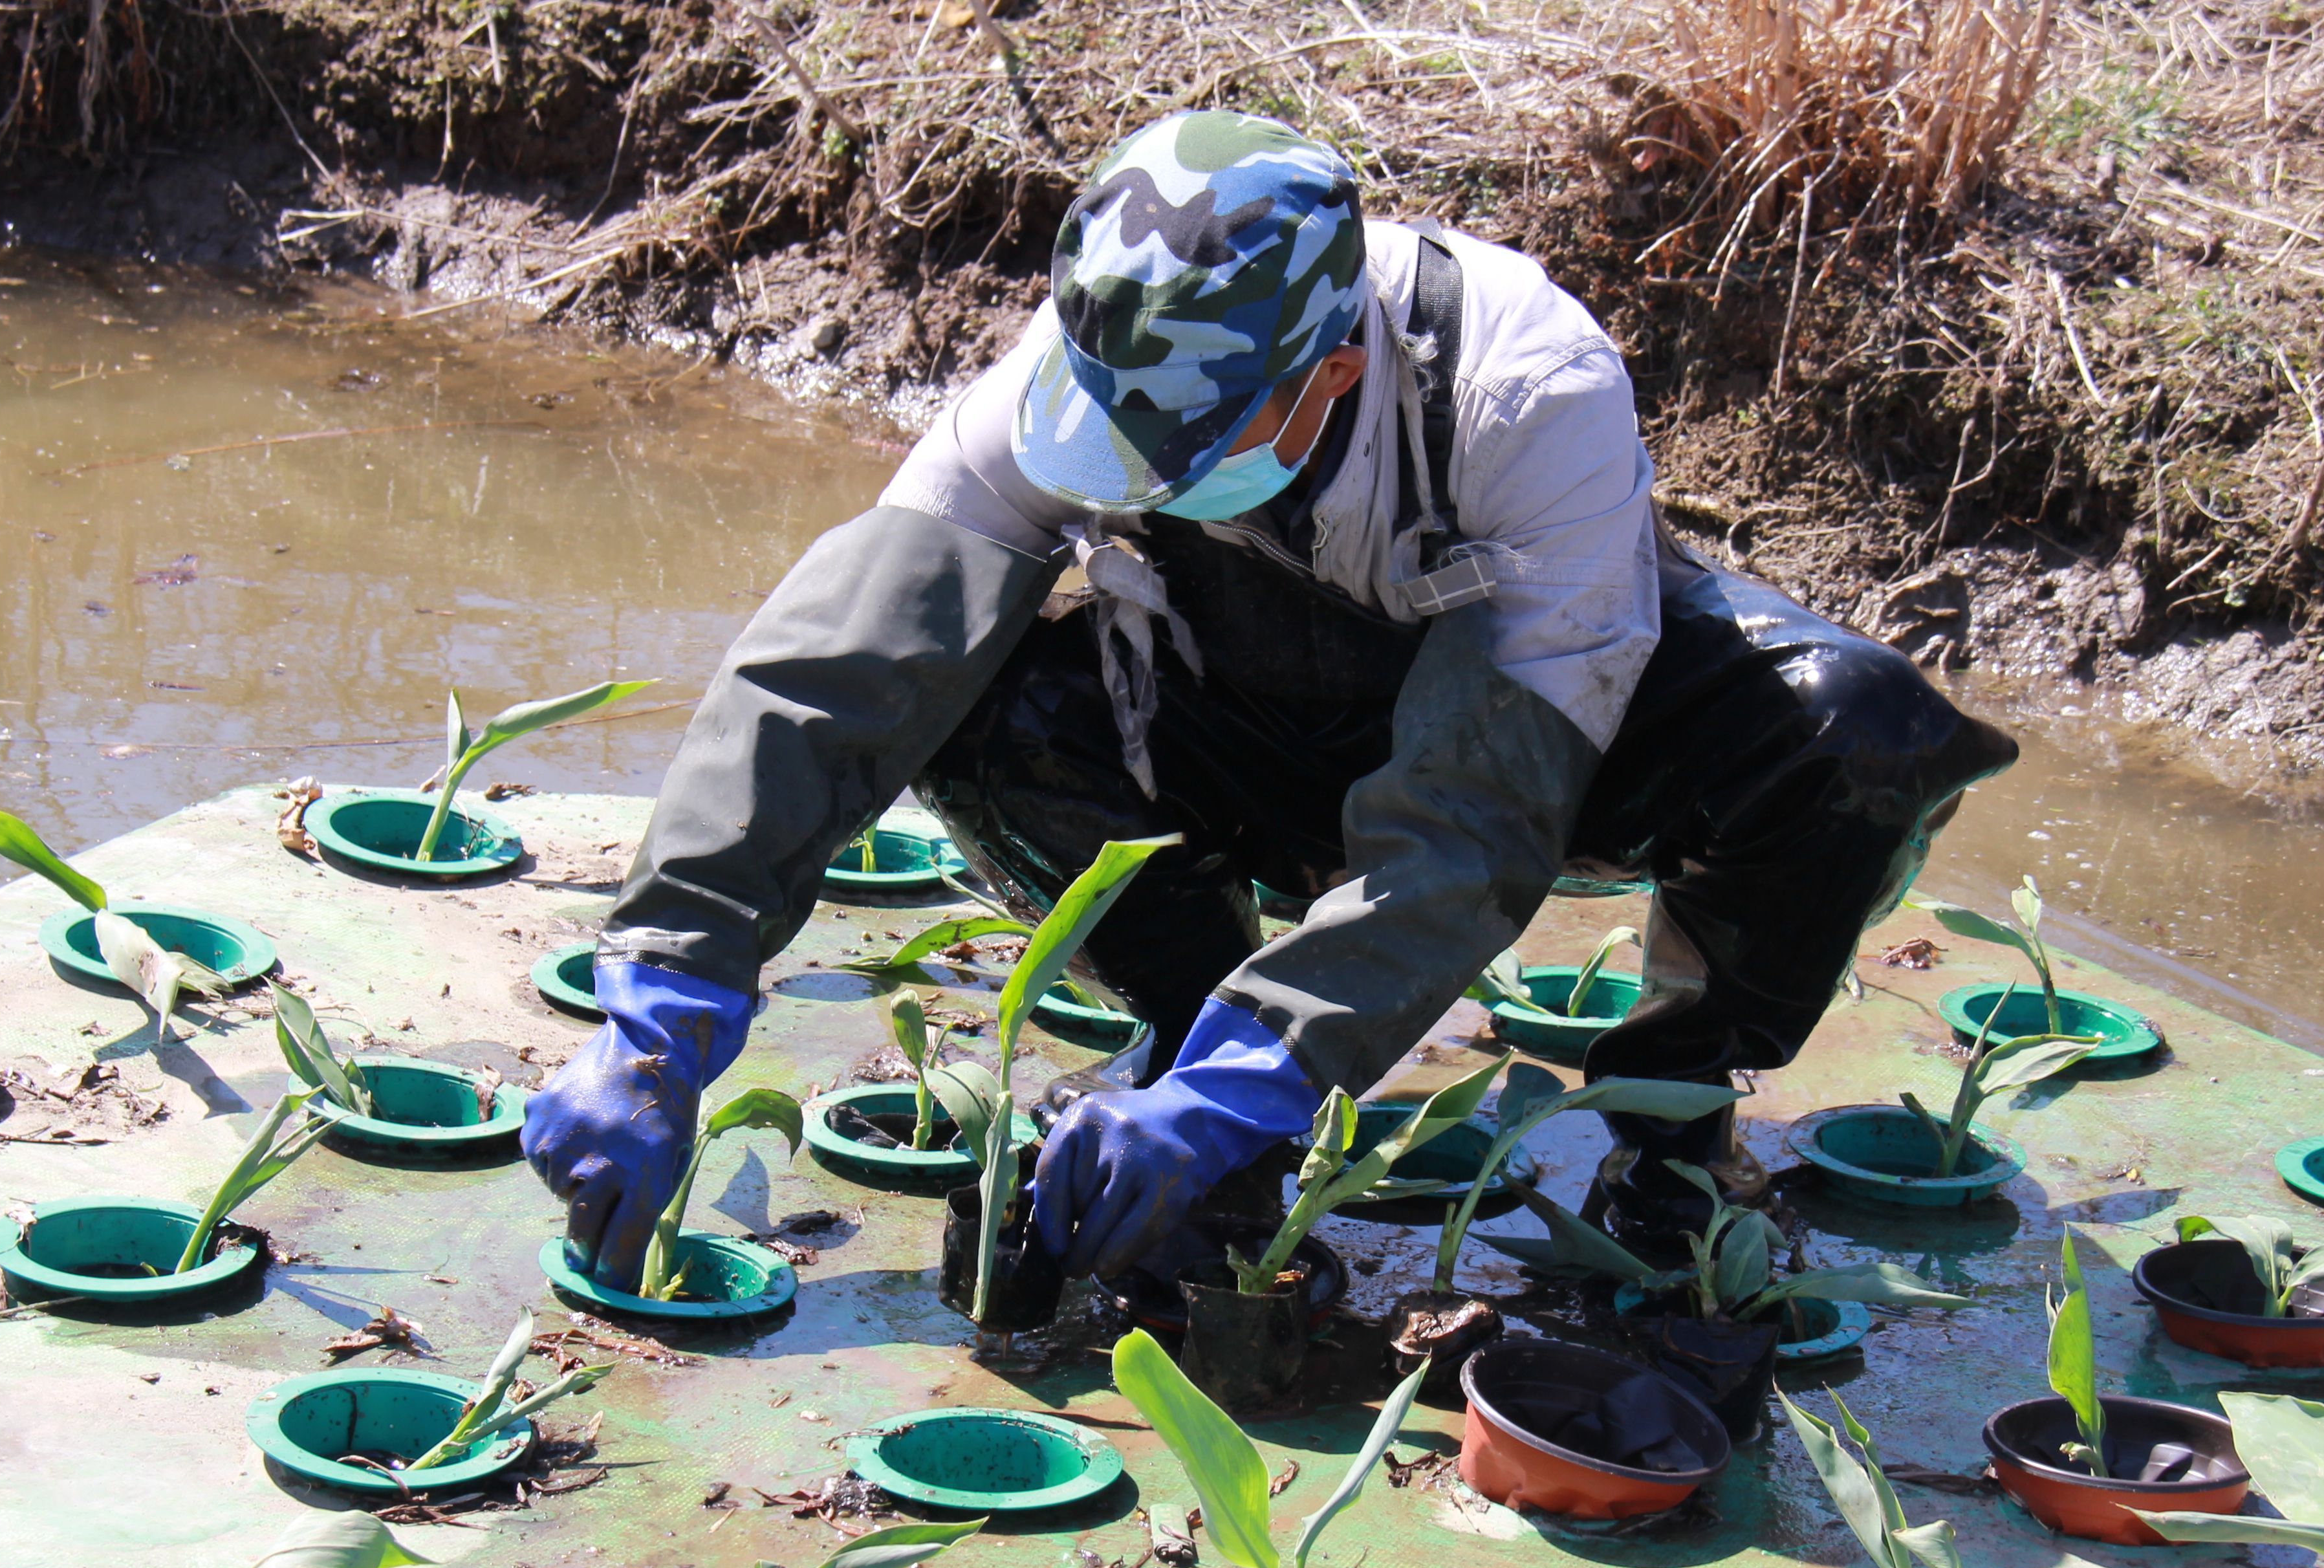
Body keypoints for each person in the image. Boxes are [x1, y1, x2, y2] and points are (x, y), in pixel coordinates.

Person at [524, 109, 2017, 1287]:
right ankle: (1182, 1034)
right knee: (969, 688)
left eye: (1202, 442)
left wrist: (1276, 1071)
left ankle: (1673, 1118)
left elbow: (1475, 816)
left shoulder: (1524, 394)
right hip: (1245, 715)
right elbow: (839, 667)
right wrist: (666, 991)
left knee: (1849, 732)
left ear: (1335, 361)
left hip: (1535, 746)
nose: (1154, 471)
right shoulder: (1094, 359)